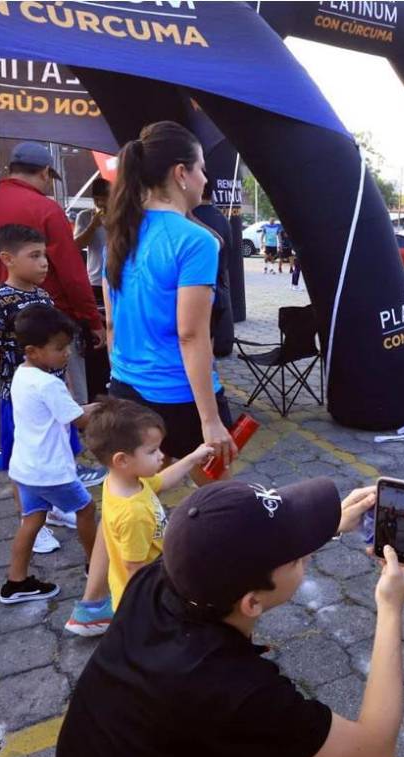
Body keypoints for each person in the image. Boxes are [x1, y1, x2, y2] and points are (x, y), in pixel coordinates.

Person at [40, 477, 404, 757]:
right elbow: (374, 749)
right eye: (297, 554)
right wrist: (391, 605)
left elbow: (221, 551)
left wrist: (323, 527)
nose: (305, 554)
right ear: (252, 604)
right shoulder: (233, 690)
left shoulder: (156, 582)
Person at [103, 121, 237, 475]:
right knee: (220, 497)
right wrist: (210, 420)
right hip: (179, 396)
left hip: (125, 388)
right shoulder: (196, 240)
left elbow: (111, 323)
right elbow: (190, 335)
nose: (205, 179)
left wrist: (119, 380)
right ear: (181, 173)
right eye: (201, 169)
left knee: (136, 492)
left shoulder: (120, 235)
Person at [0, 142, 105, 420]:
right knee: (69, 405)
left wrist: (3, 299)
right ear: (45, 172)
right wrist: (92, 320)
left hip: (11, 326)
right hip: (52, 323)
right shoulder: (46, 208)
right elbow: (71, 272)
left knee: (23, 405)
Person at [0, 224, 74, 557]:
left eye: (44, 255)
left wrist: (64, 384)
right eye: (34, 256)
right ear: (8, 259)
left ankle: (55, 509)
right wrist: (17, 379)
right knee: (26, 460)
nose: (44, 262)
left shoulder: (43, 297)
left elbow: (57, 347)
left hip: (54, 395)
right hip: (21, 401)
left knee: (57, 450)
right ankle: (30, 519)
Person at [0, 305, 99, 606]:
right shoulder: (49, 384)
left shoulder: (22, 374)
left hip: (25, 468)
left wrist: (88, 408)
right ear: (32, 351)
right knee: (86, 508)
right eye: (59, 348)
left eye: (67, 346)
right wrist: (104, 408)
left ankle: (15, 582)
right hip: (50, 471)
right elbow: (79, 419)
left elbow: (69, 412)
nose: (66, 353)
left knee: (32, 520)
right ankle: (96, 565)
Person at [83, 397, 213, 612]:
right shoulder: (134, 514)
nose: (162, 456)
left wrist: (192, 458)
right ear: (122, 460)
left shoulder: (123, 481)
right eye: (152, 451)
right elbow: (135, 569)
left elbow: (162, 481)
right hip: (147, 601)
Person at [73, 177, 113, 402]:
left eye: (104, 199)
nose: (101, 203)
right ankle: (97, 386)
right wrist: (93, 225)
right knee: (97, 334)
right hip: (95, 283)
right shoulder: (85, 216)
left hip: (117, 282)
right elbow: (76, 246)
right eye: (97, 199)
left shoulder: (121, 217)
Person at [192, 181, 235, 360]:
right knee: (207, 342)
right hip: (219, 292)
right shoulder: (223, 219)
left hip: (196, 293)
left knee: (196, 345)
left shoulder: (189, 219)